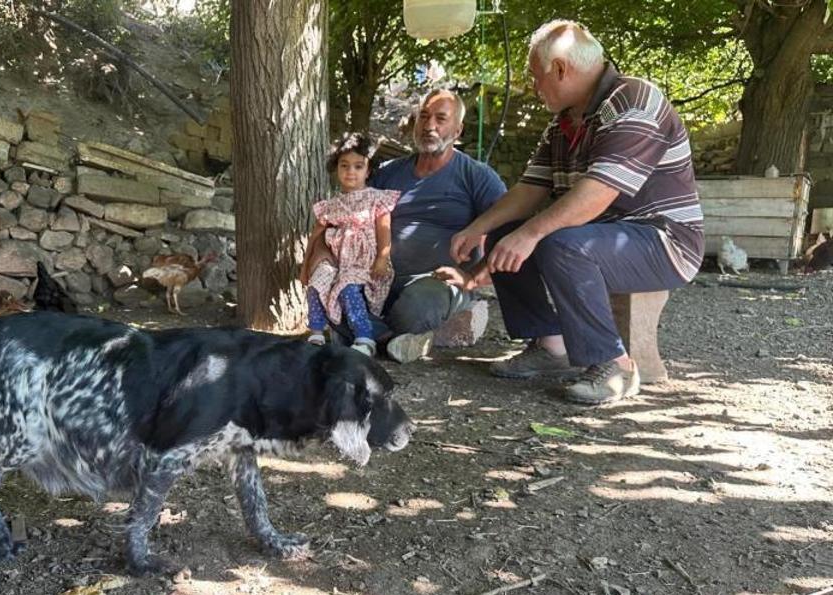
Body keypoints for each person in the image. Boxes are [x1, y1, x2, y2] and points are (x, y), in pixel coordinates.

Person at [445, 20, 704, 404]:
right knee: (505, 235)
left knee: (557, 243)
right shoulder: (563, 122)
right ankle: (552, 346)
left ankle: (616, 365)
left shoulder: (634, 101)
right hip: (599, 237)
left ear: (561, 69)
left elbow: (596, 194)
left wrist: (531, 234)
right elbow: (530, 189)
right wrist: (479, 228)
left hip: (665, 242)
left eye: (537, 77)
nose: (534, 88)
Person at [313, 89, 507, 362]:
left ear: (458, 130)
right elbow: (344, 212)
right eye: (424, 117)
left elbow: (508, 232)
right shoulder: (389, 172)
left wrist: (473, 277)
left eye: (441, 119)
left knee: (415, 309)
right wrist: (322, 253)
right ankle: (394, 341)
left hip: (435, 281)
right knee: (329, 289)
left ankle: (370, 334)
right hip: (375, 274)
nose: (429, 126)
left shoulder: (477, 176)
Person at [300, 133, 401, 357]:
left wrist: (382, 258)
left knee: (347, 285)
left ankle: (364, 337)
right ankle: (317, 330)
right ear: (336, 169)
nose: (350, 172)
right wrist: (306, 265)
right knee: (318, 281)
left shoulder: (376, 199)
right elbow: (316, 235)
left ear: (368, 170)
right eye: (344, 165)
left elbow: (384, 229)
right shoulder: (331, 205)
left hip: (366, 263)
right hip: (339, 262)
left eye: (358, 166)